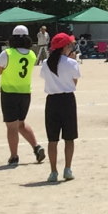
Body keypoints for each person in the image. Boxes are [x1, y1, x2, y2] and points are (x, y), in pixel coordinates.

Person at [0, 26, 45, 167]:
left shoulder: (7, 53)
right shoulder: (32, 54)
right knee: (20, 123)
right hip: (25, 93)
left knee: (12, 126)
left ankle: (14, 156)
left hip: (9, 93)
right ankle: (36, 147)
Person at [39, 33, 80, 182]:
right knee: (69, 138)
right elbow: (74, 82)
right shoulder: (71, 63)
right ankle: (67, 169)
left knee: (52, 139)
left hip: (52, 101)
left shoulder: (46, 63)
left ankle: (53, 171)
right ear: (65, 47)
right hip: (67, 100)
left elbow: (44, 78)